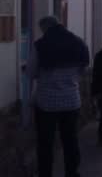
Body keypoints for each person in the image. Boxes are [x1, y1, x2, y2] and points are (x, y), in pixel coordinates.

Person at [27, 16, 90, 177]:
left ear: (45, 28)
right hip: (71, 101)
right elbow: (83, 68)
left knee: (45, 143)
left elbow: (31, 72)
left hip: (46, 102)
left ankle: (45, 173)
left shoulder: (40, 45)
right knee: (70, 140)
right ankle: (72, 172)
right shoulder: (78, 42)